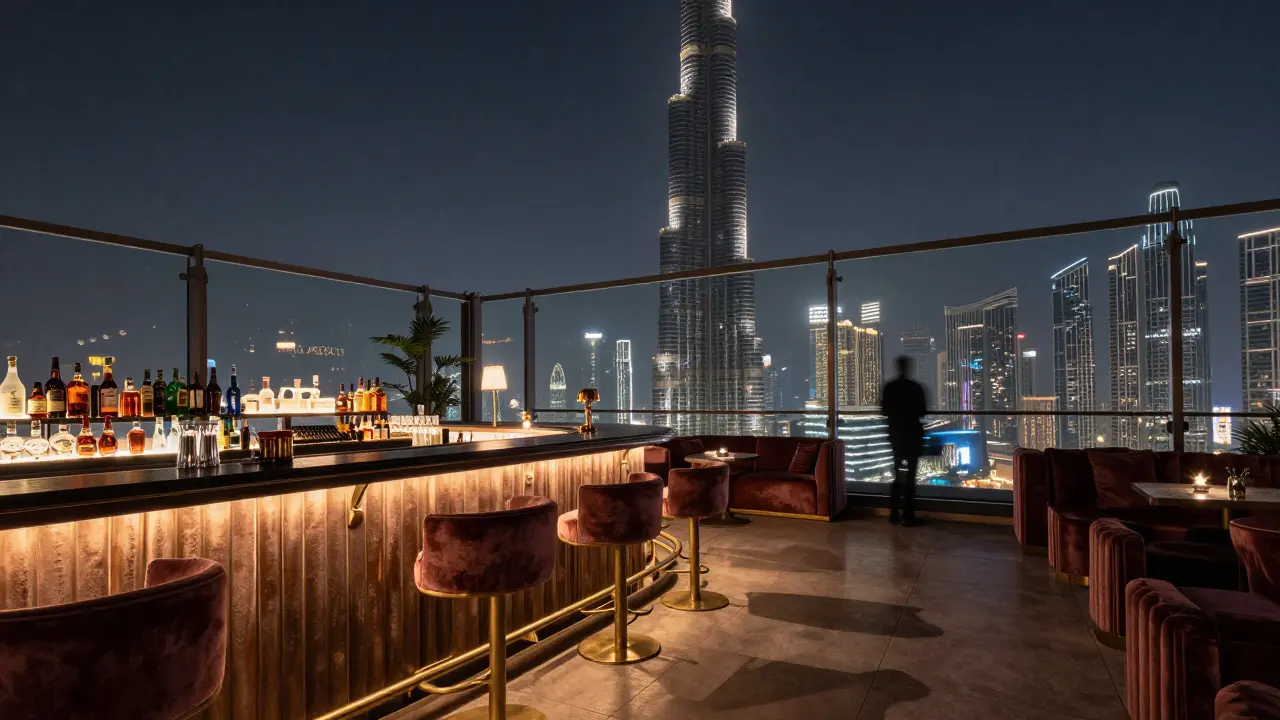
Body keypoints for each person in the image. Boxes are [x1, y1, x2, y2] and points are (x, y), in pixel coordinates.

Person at [881, 356, 926, 525]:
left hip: (896, 436)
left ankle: (893, 513)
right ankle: (908, 515)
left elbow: (884, 410)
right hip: (913, 436)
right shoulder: (916, 388)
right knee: (911, 477)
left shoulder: (890, 388)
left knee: (897, 474)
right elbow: (922, 412)